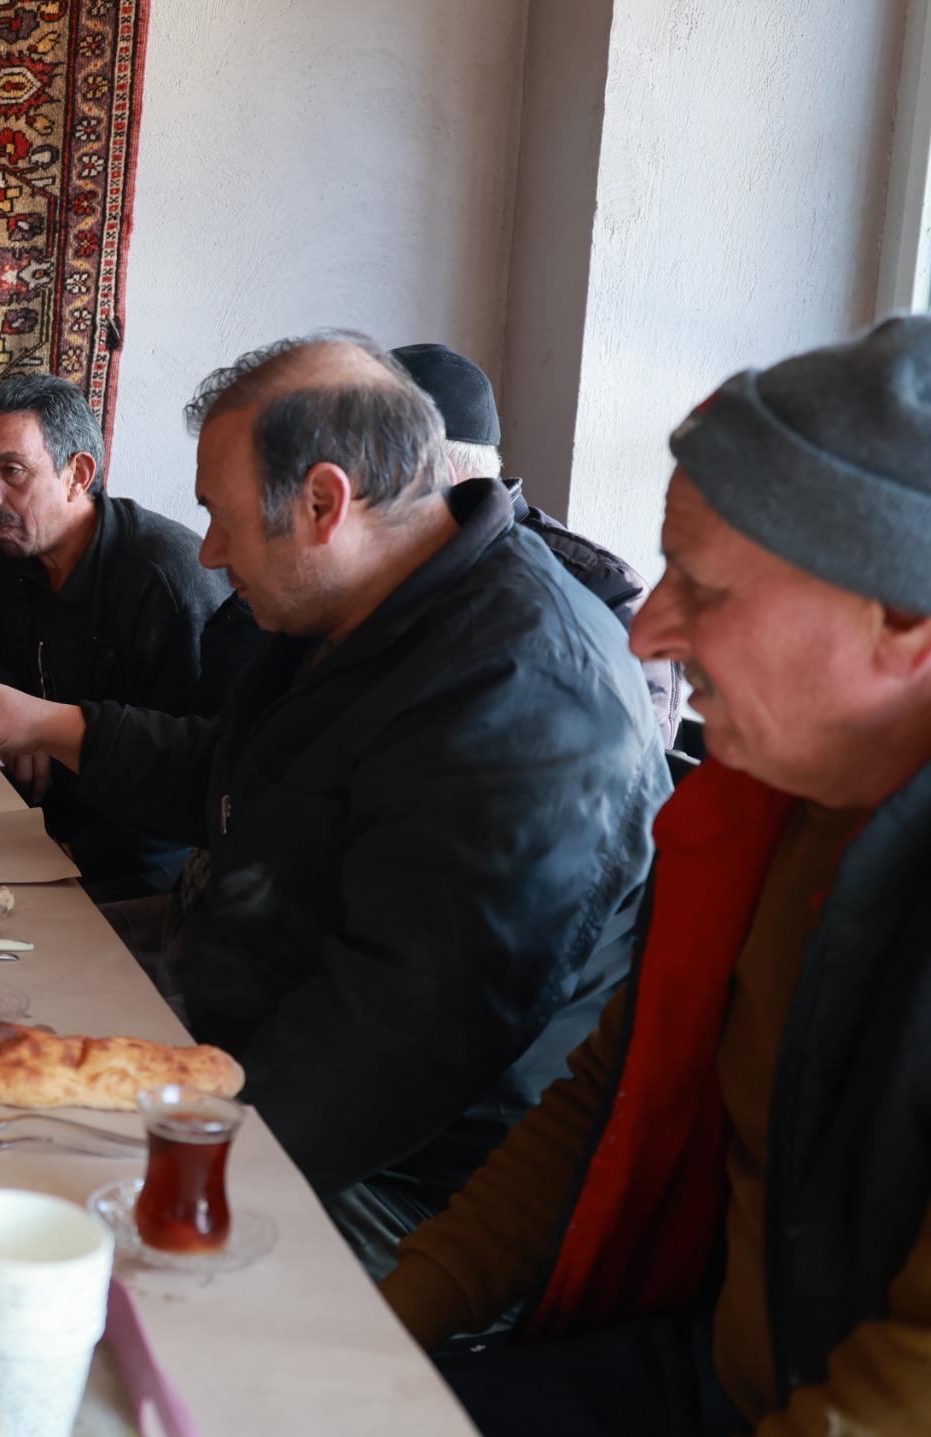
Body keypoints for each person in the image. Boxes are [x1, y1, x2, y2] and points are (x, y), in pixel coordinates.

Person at [0, 331, 669, 1272]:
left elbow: (399, 1036)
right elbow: (230, 776)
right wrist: (49, 722)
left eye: (223, 518)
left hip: (407, 1177)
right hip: (238, 1021)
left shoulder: (526, 688)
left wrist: (171, 1142)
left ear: (324, 502)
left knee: (21, 1229)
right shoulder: (336, 604)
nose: (213, 548)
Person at [380, 318, 931, 1435]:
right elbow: (605, 1099)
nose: (646, 635)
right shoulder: (757, 816)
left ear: (903, 622)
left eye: (705, 588)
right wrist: (379, 1320)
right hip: (709, 1367)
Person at [0, 372, 258, 898]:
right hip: (39, 826)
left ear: (77, 473)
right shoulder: (22, 555)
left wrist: (77, 857)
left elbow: (187, 774)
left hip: (132, 868)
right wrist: (19, 715)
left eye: (11, 471)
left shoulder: (163, 581)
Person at [392, 342, 686, 747]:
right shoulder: (384, 563)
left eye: (367, 468)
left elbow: (634, 773)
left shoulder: (602, 589)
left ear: (430, 471)